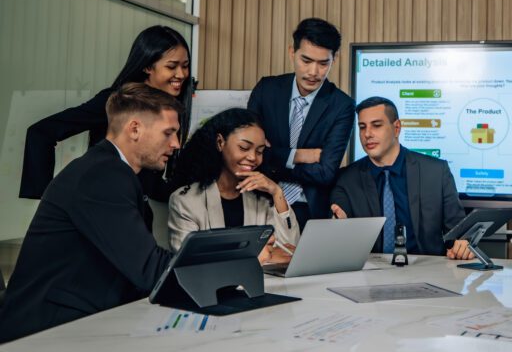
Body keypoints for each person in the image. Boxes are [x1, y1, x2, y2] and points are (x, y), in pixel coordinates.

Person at [0, 83, 183, 342]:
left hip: (81, 320)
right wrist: (224, 266)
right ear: (134, 129)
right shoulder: (102, 175)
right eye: (169, 132)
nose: (176, 143)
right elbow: (149, 268)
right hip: (45, 330)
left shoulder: (108, 169)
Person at [19, 25, 193, 228]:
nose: (181, 74)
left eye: (185, 66)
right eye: (172, 66)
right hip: (104, 214)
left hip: (136, 214)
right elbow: (41, 132)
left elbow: (152, 184)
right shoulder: (119, 102)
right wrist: (50, 201)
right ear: (147, 66)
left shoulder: (168, 109)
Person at [330, 97, 474, 259]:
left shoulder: (436, 171)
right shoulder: (346, 179)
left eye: (376, 125)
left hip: (429, 271)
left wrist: (463, 243)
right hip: (369, 274)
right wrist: (338, 229)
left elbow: (459, 232)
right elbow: (340, 241)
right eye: (362, 127)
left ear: (397, 128)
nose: (367, 134)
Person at [247, 18, 355, 231]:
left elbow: (325, 173)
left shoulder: (342, 106)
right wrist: (299, 155)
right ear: (291, 52)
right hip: (258, 202)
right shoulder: (266, 90)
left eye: (323, 63)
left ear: (335, 60)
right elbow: (249, 155)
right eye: (306, 60)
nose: (313, 72)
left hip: (309, 209)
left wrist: (273, 157)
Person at [168, 108, 299, 262]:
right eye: (244, 147)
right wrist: (260, 255)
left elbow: (289, 252)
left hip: (263, 285)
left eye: (260, 151)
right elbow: (190, 262)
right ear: (220, 142)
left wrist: (277, 193)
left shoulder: (263, 198)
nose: (252, 157)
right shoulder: (185, 201)